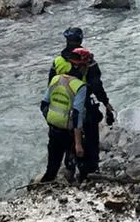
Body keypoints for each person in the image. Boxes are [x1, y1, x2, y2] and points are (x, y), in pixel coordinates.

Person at [37, 27, 115, 184]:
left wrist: (51, 115)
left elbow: (50, 87)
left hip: (60, 109)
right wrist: (106, 103)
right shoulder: (87, 61)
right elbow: (96, 85)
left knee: (59, 144)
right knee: (90, 143)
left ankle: (64, 171)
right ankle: (89, 174)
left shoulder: (58, 61)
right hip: (82, 106)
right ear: (80, 40)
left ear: (66, 40)